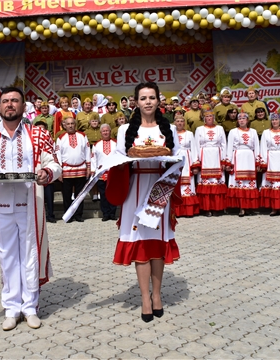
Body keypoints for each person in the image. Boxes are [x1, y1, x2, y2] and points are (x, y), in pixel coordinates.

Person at [0, 87, 62, 331]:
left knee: (29, 255)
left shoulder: (37, 133)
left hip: (29, 204)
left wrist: (46, 172)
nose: (9, 105)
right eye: (5, 101)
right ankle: (11, 307)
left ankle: (30, 307)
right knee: (8, 257)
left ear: (23, 106)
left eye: (14, 101)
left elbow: (54, 163)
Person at [114, 82, 180, 323]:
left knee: (157, 244)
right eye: (143, 98)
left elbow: (179, 160)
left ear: (158, 100)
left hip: (160, 189)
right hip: (135, 191)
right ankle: (144, 297)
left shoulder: (169, 128)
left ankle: (157, 295)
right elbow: (118, 161)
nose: (148, 102)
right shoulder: (125, 131)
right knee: (140, 244)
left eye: (152, 97)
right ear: (136, 102)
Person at [224, 111, 260, 217]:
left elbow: (257, 147)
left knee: (249, 183)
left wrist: (258, 161)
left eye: (244, 118)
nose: (241, 120)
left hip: (249, 157)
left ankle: (248, 207)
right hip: (237, 157)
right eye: (239, 119)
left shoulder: (253, 132)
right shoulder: (233, 132)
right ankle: (241, 207)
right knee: (239, 182)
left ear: (247, 120)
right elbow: (229, 147)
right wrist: (228, 162)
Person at [56, 117, 91, 223]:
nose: (70, 125)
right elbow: (57, 155)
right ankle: (68, 215)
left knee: (80, 195)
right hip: (66, 170)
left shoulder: (82, 136)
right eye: (68, 124)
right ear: (64, 125)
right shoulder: (61, 138)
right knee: (66, 195)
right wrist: (59, 171)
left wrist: (89, 167)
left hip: (81, 169)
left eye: (72, 123)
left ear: (75, 124)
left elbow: (87, 151)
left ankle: (79, 215)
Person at [194, 109, 228, 217]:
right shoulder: (199, 129)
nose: (209, 118)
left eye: (211, 116)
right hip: (204, 157)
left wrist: (223, 159)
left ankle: (217, 207)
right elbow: (196, 145)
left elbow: (224, 144)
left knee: (216, 182)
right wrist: (197, 161)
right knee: (206, 182)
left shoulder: (220, 128)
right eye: (207, 117)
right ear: (204, 118)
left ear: (214, 118)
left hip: (217, 156)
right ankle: (206, 208)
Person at [173, 115, 200, 217]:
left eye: (181, 121)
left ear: (184, 123)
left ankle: (188, 210)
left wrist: (195, 164)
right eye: (178, 121)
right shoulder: (171, 133)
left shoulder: (189, 134)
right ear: (174, 122)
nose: (179, 123)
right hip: (175, 160)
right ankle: (177, 211)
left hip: (187, 160)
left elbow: (194, 149)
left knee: (188, 185)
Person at [91, 124, 117, 221]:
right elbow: (93, 158)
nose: (105, 132)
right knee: (103, 194)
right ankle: (105, 213)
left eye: (107, 130)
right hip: (101, 173)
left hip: (113, 172)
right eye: (103, 131)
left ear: (110, 132)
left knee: (113, 193)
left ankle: (112, 213)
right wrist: (93, 170)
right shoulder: (96, 144)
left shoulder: (116, 143)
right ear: (101, 133)